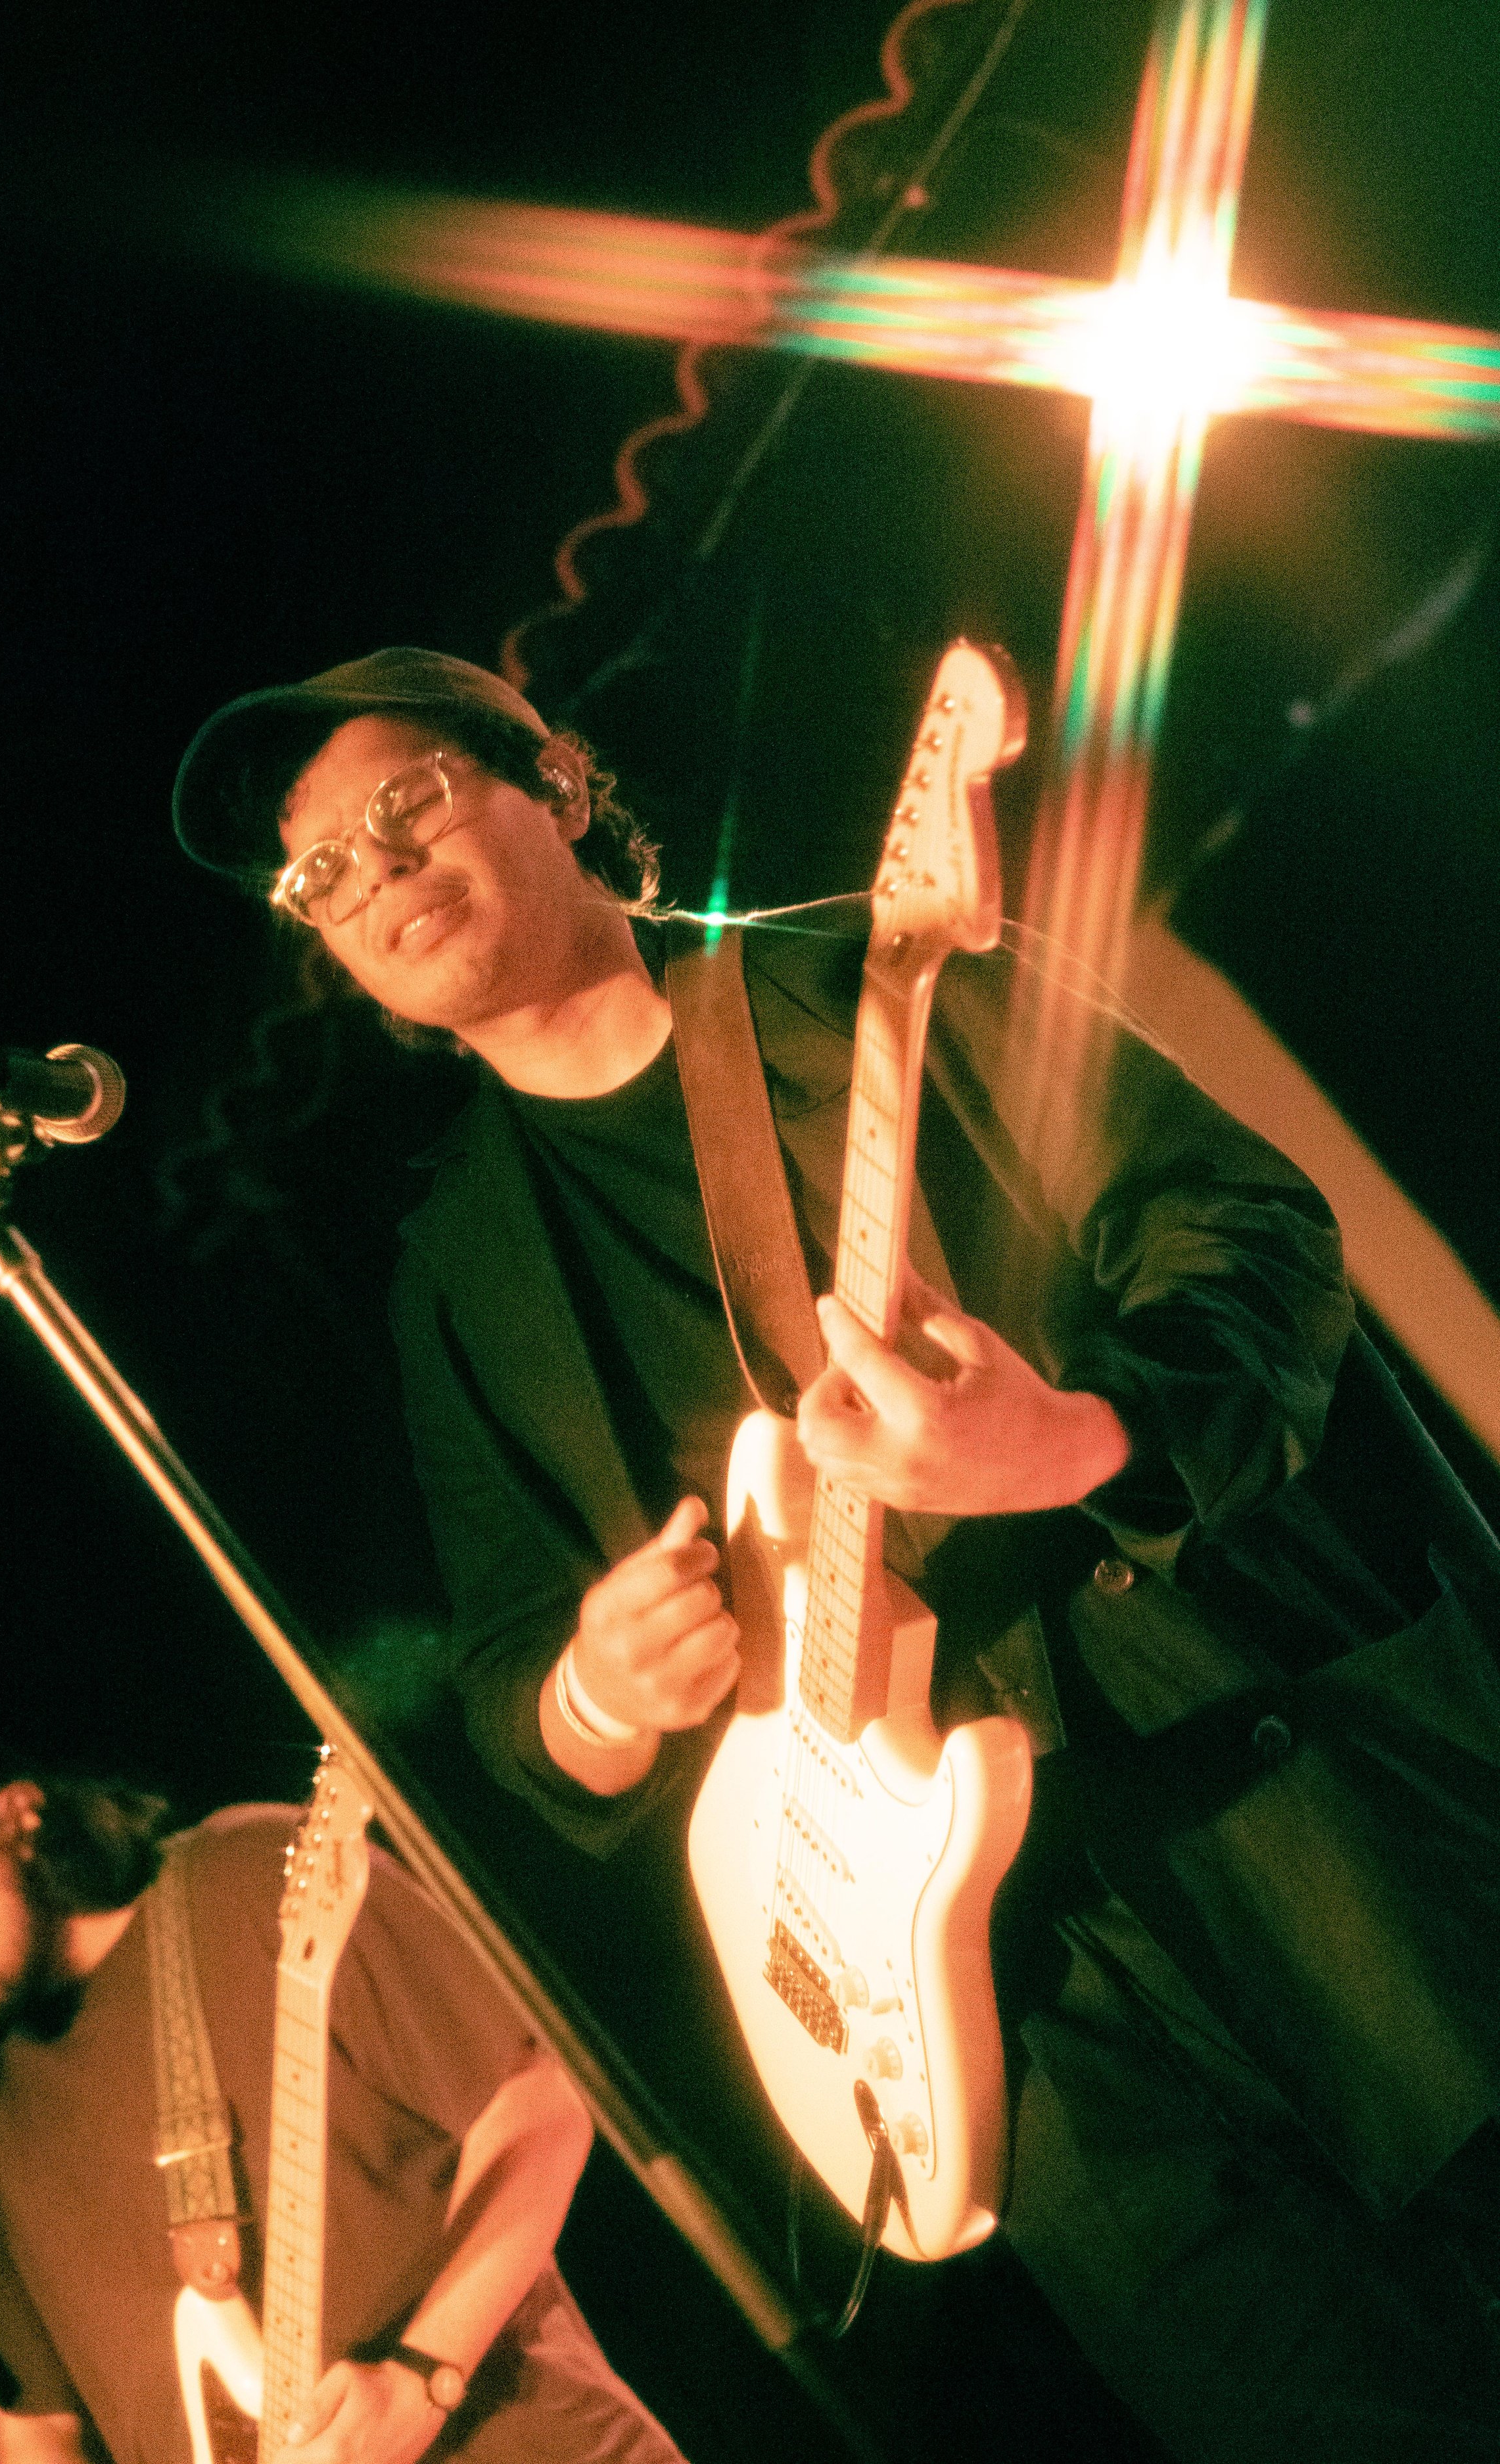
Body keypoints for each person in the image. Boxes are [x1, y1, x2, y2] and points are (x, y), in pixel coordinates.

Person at [172, 648, 1500, 2463]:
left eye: (406, 801)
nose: (374, 868)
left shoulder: (871, 983)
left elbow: (1244, 1225)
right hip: (1005, 2022)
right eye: (319, 871)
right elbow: (504, 1678)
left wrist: (1075, 1439)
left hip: (1309, 1818)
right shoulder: (456, 1272)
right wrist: (595, 1692)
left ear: (559, 783)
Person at [0, 1764, 688, 2464]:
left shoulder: (249, 1874)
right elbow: (34, 2429)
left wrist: (420, 2379)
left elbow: (536, 2110)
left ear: (17, 1815)